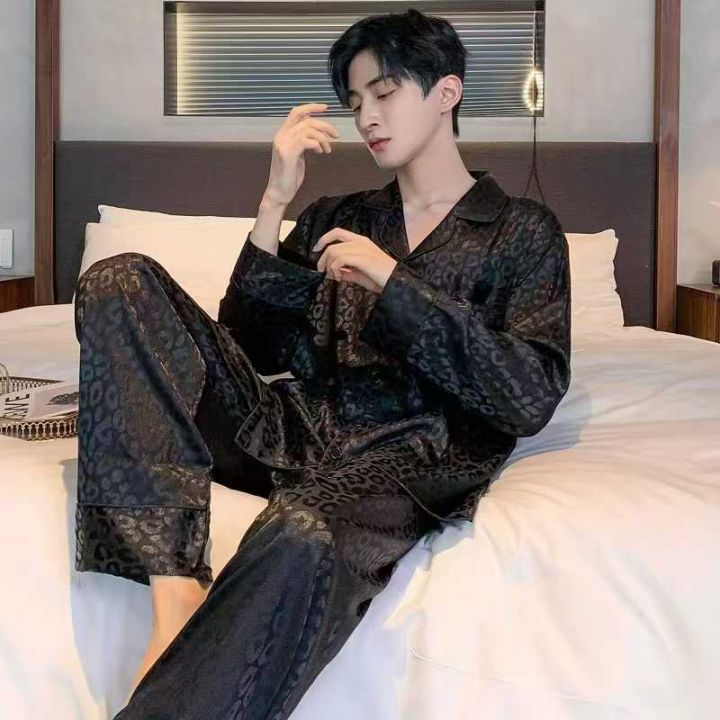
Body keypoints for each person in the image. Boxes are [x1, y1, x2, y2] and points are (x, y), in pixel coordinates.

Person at [73, 8, 571, 719]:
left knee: (299, 529)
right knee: (118, 279)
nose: (366, 116)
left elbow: (528, 395)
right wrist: (275, 199)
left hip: (409, 454)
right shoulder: (339, 215)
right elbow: (248, 344)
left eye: (384, 92)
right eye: (355, 100)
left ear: (446, 92)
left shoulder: (523, 231)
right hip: (293, 428)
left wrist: (394, 284)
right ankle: (173, 583)